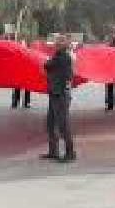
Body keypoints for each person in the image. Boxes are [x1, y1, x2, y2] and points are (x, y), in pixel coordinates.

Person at [41, 34, 76, 163]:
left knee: (63, 125)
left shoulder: (63, 57)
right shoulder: (59, 56)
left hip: (60, 94)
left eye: (59, 42)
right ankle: (53, 151)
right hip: (55, 93)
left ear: (64, 45)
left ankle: (70, 152)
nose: (56, 44)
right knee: (51, 123)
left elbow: (47, 65)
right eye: (56, 42)